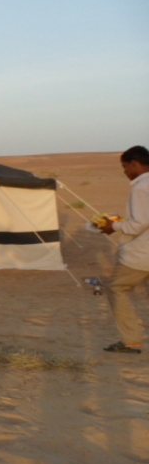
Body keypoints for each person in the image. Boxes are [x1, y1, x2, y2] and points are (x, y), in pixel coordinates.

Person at [98, 145, 149, 354]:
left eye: (125, 167)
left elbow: (140, 223)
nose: (125, 172)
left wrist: (114, 226)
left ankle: (131, 341)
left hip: (141, 253)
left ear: (134, 164)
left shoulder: (141, 187)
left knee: (115, 288)